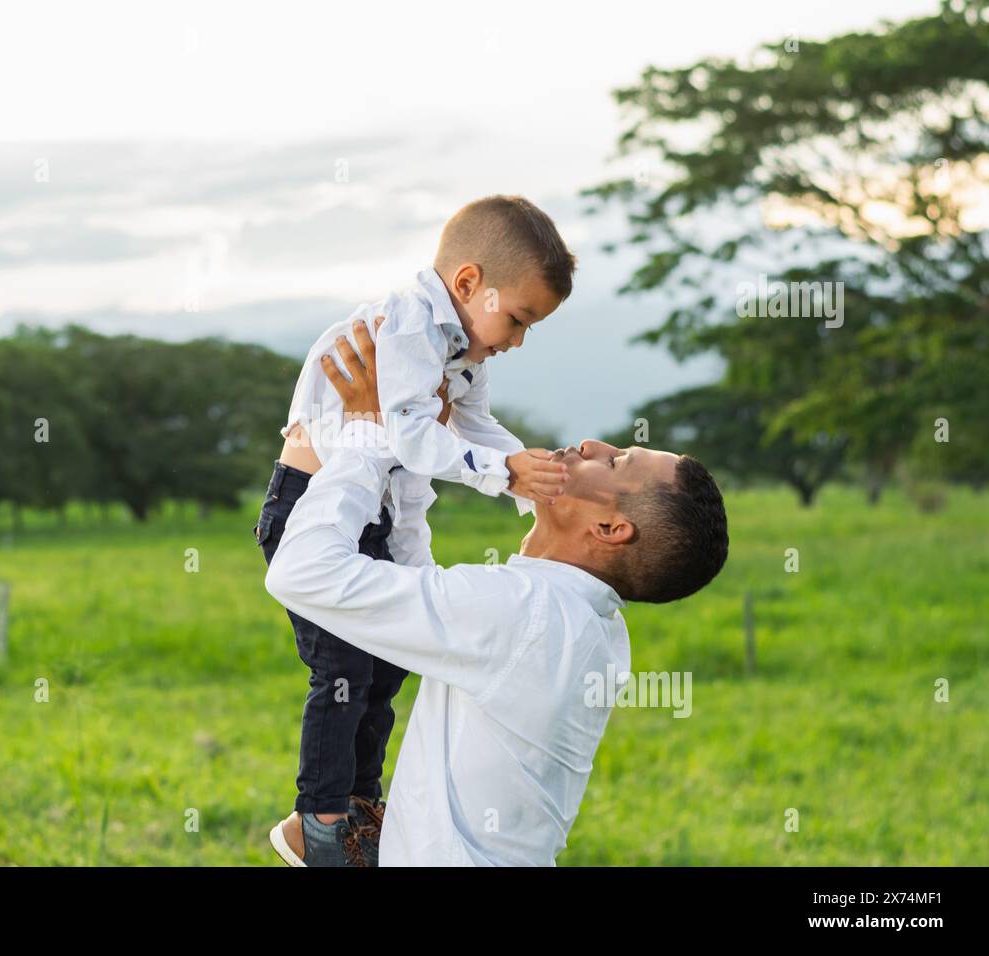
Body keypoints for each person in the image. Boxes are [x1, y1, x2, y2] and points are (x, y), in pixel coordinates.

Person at [265, 321, 729, 866]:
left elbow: (301, 573)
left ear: (609, 530)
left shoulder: (523, 611)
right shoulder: (582, 622)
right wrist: (416, 452)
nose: (591, 444)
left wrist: (371, 436)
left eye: (615, 461)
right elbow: (418, 585)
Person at [256, 196, 575, 865]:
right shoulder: (403, 330)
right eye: (517, 319)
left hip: (381, 515)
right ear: (467, 283)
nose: (517, 340)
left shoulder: (464, 353)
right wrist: (502, 473)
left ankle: (361, 807)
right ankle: (318, 821)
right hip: (314, 507)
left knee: (387, 663)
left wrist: (528, 476)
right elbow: (406, 433)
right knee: (342, 670)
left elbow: (476, 430)